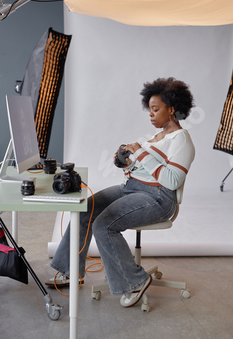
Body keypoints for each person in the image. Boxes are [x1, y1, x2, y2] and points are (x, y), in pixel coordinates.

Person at [45, 77, 195, 308]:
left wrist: (140, 153)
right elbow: (143, 168)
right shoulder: (158, 136)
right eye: (150, 109)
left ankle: (135, 281)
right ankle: (71, 270)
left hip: (158, 198)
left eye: (156, 109)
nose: (151, 114)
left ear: (172, 109)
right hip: (132, 189)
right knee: (86, 208)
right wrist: (125, 162)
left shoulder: (181, 140)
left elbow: (172, 180)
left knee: (103, 225)